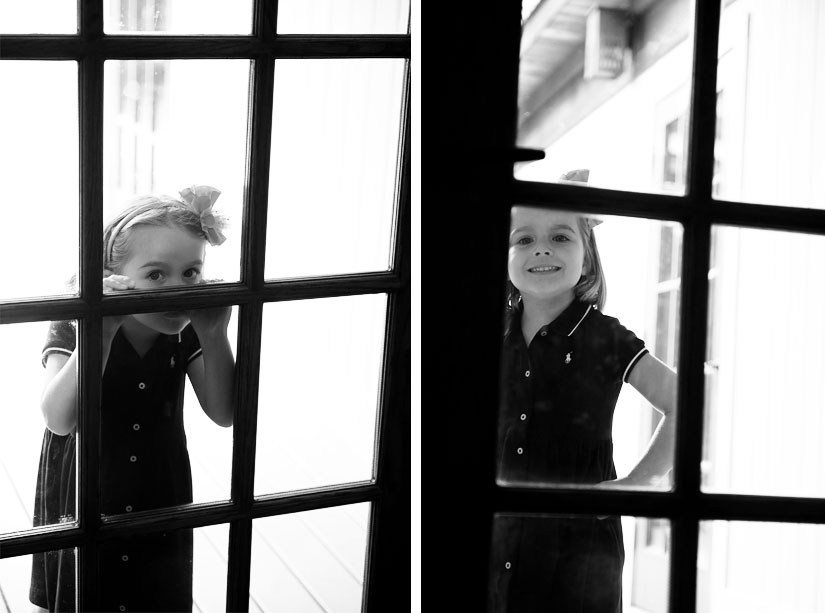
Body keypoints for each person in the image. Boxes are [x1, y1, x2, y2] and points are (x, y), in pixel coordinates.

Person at [29, 186, 235, 613]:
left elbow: (224, 411)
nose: (177, 290)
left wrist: (215, 334)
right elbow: (59, 419)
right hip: (89, 482)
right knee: (86, 590)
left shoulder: (188, 329)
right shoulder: (77, 317)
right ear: (113, 276)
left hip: (158, 482)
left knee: (153, 589)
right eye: (156, 275)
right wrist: (99, 334)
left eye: (191, 273)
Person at [489, 171, 677, 612]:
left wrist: (640, 482)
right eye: (523, 240)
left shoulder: (605, 338)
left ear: (587, 257)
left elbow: (684, 402)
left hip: (580, 557)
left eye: (560, 236)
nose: (542, 249)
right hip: (498, 546)